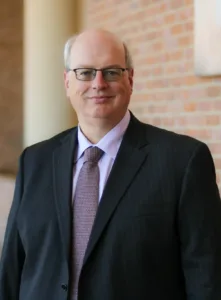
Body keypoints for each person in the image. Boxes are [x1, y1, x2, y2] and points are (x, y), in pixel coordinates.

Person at [0, 28, 221, 300]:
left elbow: (207, 277)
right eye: (85, 72)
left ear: (130, 79)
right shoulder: (35, 161)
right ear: (67, 81)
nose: (98, 83)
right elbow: (11, 269)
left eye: (112, 72)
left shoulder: (183, 161)